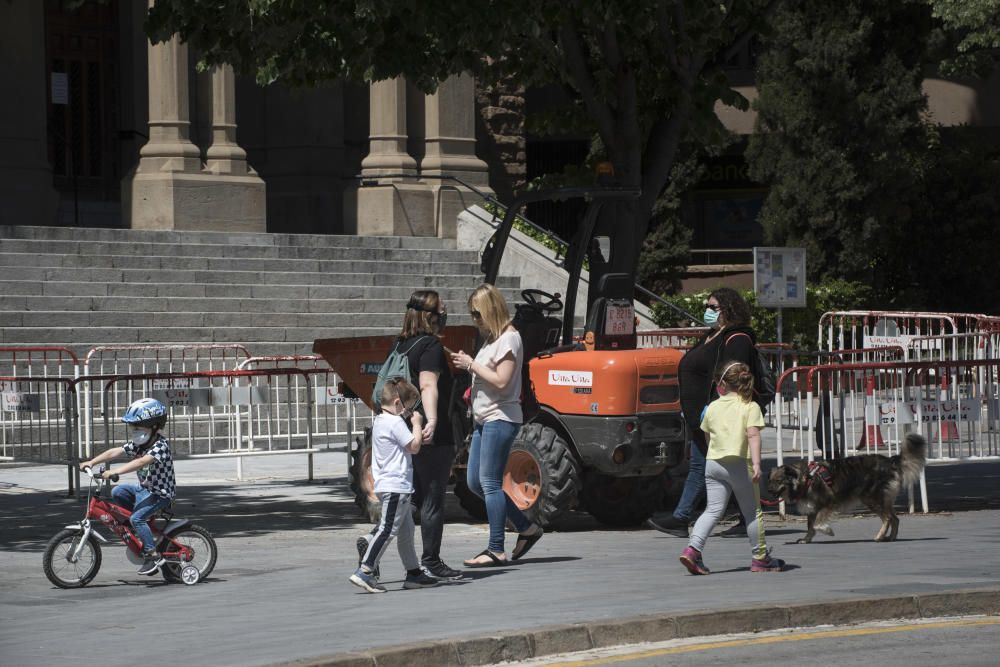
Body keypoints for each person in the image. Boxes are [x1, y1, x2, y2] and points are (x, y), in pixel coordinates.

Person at [356, 290, 463, 580]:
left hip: (405, 427)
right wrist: (433, 419)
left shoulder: (401, 344)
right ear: (431, 316)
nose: (446, 312)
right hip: (429, 431)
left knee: (410, 494)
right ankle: (431, 562)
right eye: (442, 309)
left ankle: (373, 537)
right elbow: (428, 386)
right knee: (432, 497)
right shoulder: (429, 345)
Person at [648, 287, 758, 538]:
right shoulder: (713, 334)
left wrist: (715, 407)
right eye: (707, 306)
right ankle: (745, 518)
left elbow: (735, 372)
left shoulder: (737, 337)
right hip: (702, 416)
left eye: (713, 307)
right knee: (716, 466)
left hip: (716, 415)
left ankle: (682, 517)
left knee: (706, 466)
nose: (707, 311)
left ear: (728, 309)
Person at [450, 283, 543, 567]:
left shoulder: (510, 339)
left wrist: (470, 365)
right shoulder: (494, 339)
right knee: (475, 482)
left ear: (490, 310)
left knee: (489, 482)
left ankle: (496, 548)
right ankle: (526, 528)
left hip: (500, 418)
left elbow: (502, 381)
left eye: (476, 314)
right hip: (485, 418)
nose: (474, 320)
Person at [679, 362, 785, 574]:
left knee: (712, 510)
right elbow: (753, 435)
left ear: (722, 384)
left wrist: (715, 452)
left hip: (714, 463)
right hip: (740, 464)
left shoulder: (712, 407)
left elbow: (708, 437)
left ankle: (693, 550)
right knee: (753, 512)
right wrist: (756, 464)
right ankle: (760, 557)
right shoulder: (750, 406)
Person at [351, 378, 439, 593]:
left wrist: (415, 433)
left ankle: (413, 572)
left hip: (390, 486)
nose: (408, 413)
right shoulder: (396, 422)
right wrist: (417, 424)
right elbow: (415, 447)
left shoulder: (381, 420)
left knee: (406, 531)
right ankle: (366, 570)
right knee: (388, 529)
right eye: (408, 408)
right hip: (395, 486)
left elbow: (406, 444)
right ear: (398, 402)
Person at [79, 397, 176, 576]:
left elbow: (141, 463)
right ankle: (133, 526)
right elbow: (115, 451)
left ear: (154, 425)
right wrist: (91, 462)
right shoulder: (140, 444)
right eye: (133, 427)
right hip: (145, 490)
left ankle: (152, 555)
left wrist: (115, 471)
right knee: (118, 491)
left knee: (137, 518)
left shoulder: (160, 446)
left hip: (160, 494)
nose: (134, 430)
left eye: (138, 426)